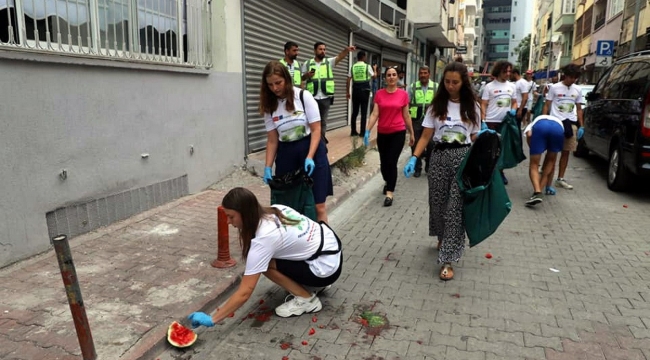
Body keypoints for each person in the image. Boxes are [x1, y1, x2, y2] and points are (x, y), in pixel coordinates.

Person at [186, 188, 343, 327]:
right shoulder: (276, 209)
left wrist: (213, 319)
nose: (227, 222)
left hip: (325, 269)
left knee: (265, 265)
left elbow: (245, 292)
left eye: (231, 216)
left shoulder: (263, 239)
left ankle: (307, 300)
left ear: (245, 213)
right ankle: (313, 284)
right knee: (270, 259)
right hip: (332, 253)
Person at [403, 62, 480, 280]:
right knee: (437, 203)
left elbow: (473, 135)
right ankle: (442, 235)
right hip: (438, 157)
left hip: (462, 159)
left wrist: (482, 139)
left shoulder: (471, 106)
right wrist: (414, 157)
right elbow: (426, 135)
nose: (450, 86)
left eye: (455, 82)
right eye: (447, 81)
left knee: (454, 207)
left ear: (463, 82)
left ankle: (448, 258)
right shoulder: (436, 105)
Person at [260, 61, 333, 222]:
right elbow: (272, 140)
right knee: (289, 207)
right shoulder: (269, 106)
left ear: (286, 79)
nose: (275, 88)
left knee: (317, 205)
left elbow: (316, 130)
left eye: (278, 83)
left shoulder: (302, 96)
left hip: (311, 148)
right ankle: (298, 243)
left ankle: (324, 243)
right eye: (270, 85)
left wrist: (309, 156)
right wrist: (267, 167)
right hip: (286, 154)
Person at [363, 67, 415, 207]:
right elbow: (375, 114)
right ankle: (388, 181)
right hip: (383, 133)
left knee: (392, 162)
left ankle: (390, 193)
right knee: (384, 164)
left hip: (398, 133)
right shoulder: (379, 94)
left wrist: (411, 132)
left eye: (394, 75)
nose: (391, 77)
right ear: (385, 78)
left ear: (397, 77)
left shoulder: (403, 95)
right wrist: (367, 130)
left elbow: (406, 115)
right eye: (388, 75)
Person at [302, 42, 356, 139]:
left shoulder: (328, 62)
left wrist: (346, 50)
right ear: (315, 50)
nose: (323, 51)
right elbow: (301, 79)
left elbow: (339, 57)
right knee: (311, 121)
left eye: (324, 49)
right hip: (312, 98)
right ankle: (311, 141)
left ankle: (321, 142)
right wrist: (306, 75)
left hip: (325, 97)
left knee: (323, 121)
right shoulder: (308, 63)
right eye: (320, 49)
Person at [542, 64, 584, 190]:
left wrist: (581, 126)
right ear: (565, 75)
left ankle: (560, 178)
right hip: (556, 123)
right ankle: (546, 174)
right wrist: (543, 120)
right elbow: (547, 105)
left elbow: (579, 108)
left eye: (575, 78)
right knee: (552, 152)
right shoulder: (554, 88)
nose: (573, 80)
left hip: (570, 124)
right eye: (571, 77)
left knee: (566, 152)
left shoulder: (577, 89)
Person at [480, 60, 517, 184]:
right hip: (491, 121)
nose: (507, 74)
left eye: (509, 71)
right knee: (490, 149)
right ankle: (488, 173)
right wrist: (483, 120)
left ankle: (500, 172)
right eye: (505, 71)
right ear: (498, 71)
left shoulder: (512, 86)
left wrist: (514, 110)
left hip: (505, 123)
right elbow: (483, 104)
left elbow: (515, 102)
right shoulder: (489, 87)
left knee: (502, 149)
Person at [523, 115, 565, 206]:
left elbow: (529, 134)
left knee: (534, 165)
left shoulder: (533, 122)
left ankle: (537, 192)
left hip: (541, 128)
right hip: (558, 130)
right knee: (550, 162)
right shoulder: (558, 121)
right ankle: (540, 190)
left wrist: (534, 150)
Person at [408, 65, 437, 177]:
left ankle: (429, 166)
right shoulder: (413, 87)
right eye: (421, 73)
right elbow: (407, 103)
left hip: (431, 120)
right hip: (416, 120)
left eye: (425, 73)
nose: (423, 75)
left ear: (429, 74)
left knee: (431, 144)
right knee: (415, 144)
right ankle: (417, 167)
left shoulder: (436, 86)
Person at [346, 50, 375, 136]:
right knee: (363, 112)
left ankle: (353, 131)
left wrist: (347, 92)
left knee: (354, 112)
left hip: (355, 90)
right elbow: (374, 76)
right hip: (364, 91)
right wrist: (375, 70)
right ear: (364, 57)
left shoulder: (353, 67)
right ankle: (362, 132)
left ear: (358, 57)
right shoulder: (367, 66)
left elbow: (348, 80)